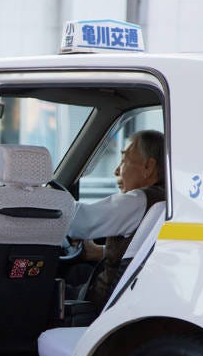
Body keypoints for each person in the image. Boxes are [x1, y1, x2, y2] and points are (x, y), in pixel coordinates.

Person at [68, 130, 165, 311]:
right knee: (78, 272)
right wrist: (101, 252)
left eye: (123, 160)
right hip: (135, 298)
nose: (116, 170)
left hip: (103, 304)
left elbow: (77, 220)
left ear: (148, 167)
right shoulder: (167, 198)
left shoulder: (137, 200)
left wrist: (43, 202)